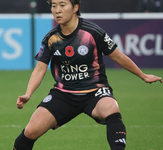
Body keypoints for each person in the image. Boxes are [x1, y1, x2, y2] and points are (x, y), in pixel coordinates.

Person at [13, 0, 162, 149]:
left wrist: (143, 75)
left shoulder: (93, 32)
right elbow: (40, 68)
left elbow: (117, 56)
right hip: (64, 94)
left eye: (62, 5)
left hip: (95, 91)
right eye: (53, 6)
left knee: (111, 108)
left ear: (75, 8)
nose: (57, 10)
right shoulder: (50, 38)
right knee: (30, 132)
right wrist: (28, 94)